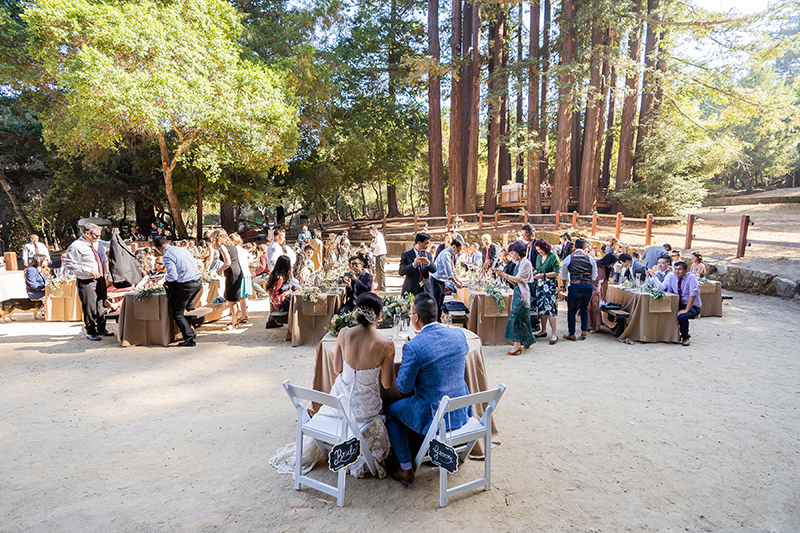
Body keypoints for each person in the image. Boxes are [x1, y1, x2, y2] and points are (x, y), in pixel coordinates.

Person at [269, 292, 393, 479]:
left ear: (357, 312)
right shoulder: (386, 345)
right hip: (364, 411)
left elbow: (337, 369)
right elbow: (386, 383)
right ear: (379, 315)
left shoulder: (343, 333)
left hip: (336, 405)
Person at [385, 294, 472, 485]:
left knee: (390, 412)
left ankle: (406, 467)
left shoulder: (413, 347)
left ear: (415, 318)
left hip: (434, 415)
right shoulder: (459, 335)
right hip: (461, 410)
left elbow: (403, 387)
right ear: (438, 314)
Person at [64, 223, 113, 341]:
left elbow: (112, 245)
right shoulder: (76, 246)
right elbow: (68, 264)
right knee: (90, 306)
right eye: (96, 236)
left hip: (100, 278)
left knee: (102, 303)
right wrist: (88, 270)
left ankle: (102, 328)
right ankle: (91, 331)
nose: (98, 238)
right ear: (86, 234)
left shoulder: (98, 243)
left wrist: (116, 237)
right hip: (86, 280)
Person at [154, 236, 202, 347]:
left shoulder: (167, 256)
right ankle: (193, 327)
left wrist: (165, 280)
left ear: (157, 248)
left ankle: (189, 338)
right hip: (198, 282)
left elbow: (173, 275)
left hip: (186, 284)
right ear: (167, 242)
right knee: (188, 305)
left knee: (177, 312)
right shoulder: (181, 249)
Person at [493, 240, 535, 355]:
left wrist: (503, 275)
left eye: (512, 253)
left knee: (515, 317)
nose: (511, 255)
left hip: (522, 294)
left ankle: (517, 345)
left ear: (519, 252)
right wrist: (503, 275)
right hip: (518, 292)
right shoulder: (520, 262)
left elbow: (518, 279)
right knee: (523, 317)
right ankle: (528, 340)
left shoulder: (525, 263)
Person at [649, 260, 702, 346]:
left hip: (691, 305)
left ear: (686, 270)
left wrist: (686, 309)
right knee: (664, 311)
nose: (677, 271)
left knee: (682, 316)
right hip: (677, 303)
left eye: (680, 269)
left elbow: (693, 294)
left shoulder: (692, 278)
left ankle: (685, 337)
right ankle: (665, 335)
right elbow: (670, 292)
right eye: (675, 269)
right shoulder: (672, 277)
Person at [560, 238, 597, 341]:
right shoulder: (590, 258)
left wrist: (564, 285)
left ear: (574, 247)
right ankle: (584, 330)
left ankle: (572, 333)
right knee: (584, 307)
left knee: (572, 310)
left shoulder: (569, 258)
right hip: (588, 285)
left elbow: (564, 274)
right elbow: (594, 275)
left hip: (575, 285)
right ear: (585, 248)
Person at [210, 229, 243, 330]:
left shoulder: (222, 247)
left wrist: (219, 271)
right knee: (234, 298)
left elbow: (227, 262)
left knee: (230, 299)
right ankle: (234, 320)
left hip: (232, 272)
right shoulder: (232, 245)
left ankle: (234, 322)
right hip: (238, 270)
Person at [531, 239, 560, 345]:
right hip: (540, 285)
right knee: (542, 308)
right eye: (537, 250)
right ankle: (543, 330)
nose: (539, 251)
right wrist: (534, 272)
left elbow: (556, 272)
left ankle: (554, 333)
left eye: (540, 249)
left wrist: (543, 275)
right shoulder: (539, 257)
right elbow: (538, 269)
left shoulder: (553, 256)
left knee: (550, 309)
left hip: (550, 285)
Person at [431, 238, 464, 320]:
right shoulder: (446, 254)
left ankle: (438, 320)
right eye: (458, 250)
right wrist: (456, 283)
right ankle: (436, 321)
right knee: (437, 303)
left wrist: (458, 280)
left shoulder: (451, 254)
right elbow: (449, 272)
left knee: (441, 302)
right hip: (436, 281)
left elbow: (452, 270)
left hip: (442, 281)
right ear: (453, 246)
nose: (458, 252)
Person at [398, 232, 436, 297]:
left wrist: (427, 263)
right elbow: (401, 272)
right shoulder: (406, 255)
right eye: (426, 243)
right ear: (419, 242)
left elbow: (434, 269)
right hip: (411, 289)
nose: (427, 246)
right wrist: (414, 264)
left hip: (425, 289)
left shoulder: (428, 255)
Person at [521, 224, 540, 333]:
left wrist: (534, 272)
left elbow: (537, 262)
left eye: (525, 234)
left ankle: (535, 323)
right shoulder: (528, 245)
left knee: (533, 300)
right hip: (528, 276)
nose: (523, 236)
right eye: (522, 234)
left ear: (531, 234)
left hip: (534, 276)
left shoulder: (537, 245)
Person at [265, 255, 293, 329]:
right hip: (279, 302)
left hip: (273, 300)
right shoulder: (279, 278)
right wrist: (288, 292)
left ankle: (271, 321)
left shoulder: (274, 274)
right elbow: (278, 295)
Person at [230, 233, 252, 323]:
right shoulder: (243, 250)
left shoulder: (235, 250)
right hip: (246, 273)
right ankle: (245, 314)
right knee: (245, 296)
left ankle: (243, 316)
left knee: (242, 296)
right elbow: (249, 259)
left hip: (241, 273)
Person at [369, 225, 387, 291]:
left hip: (381, 254)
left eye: (371, 231)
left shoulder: (378, 235)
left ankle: (382, 286)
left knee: (380, 270)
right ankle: (380, 285)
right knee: (378, 270)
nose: (371, 233)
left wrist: (372, 244)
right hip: (378, 254)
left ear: (373, 230)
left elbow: (377, 244)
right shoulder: (377, 235)